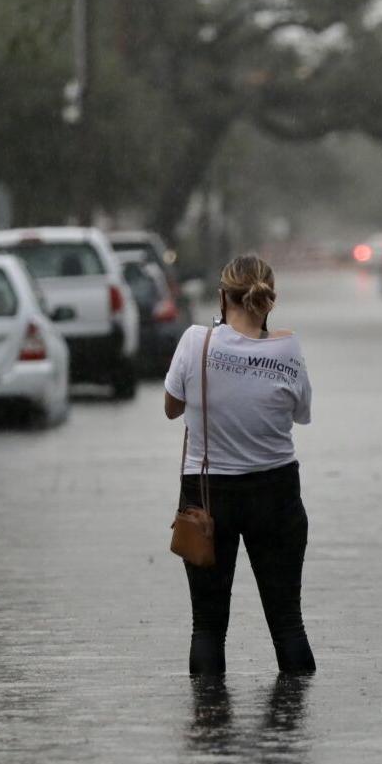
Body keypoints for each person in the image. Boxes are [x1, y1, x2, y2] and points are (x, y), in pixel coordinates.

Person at [164, 254, 316, 676]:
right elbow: (301, 414)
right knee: (288, 623)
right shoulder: (288, 348)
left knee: (206, 627)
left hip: (206, 496)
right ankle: (293, 714)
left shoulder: (195, 342)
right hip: (276, 493)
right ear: (269, 300)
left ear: (222, 297)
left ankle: (210, 713)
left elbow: (172, 408)